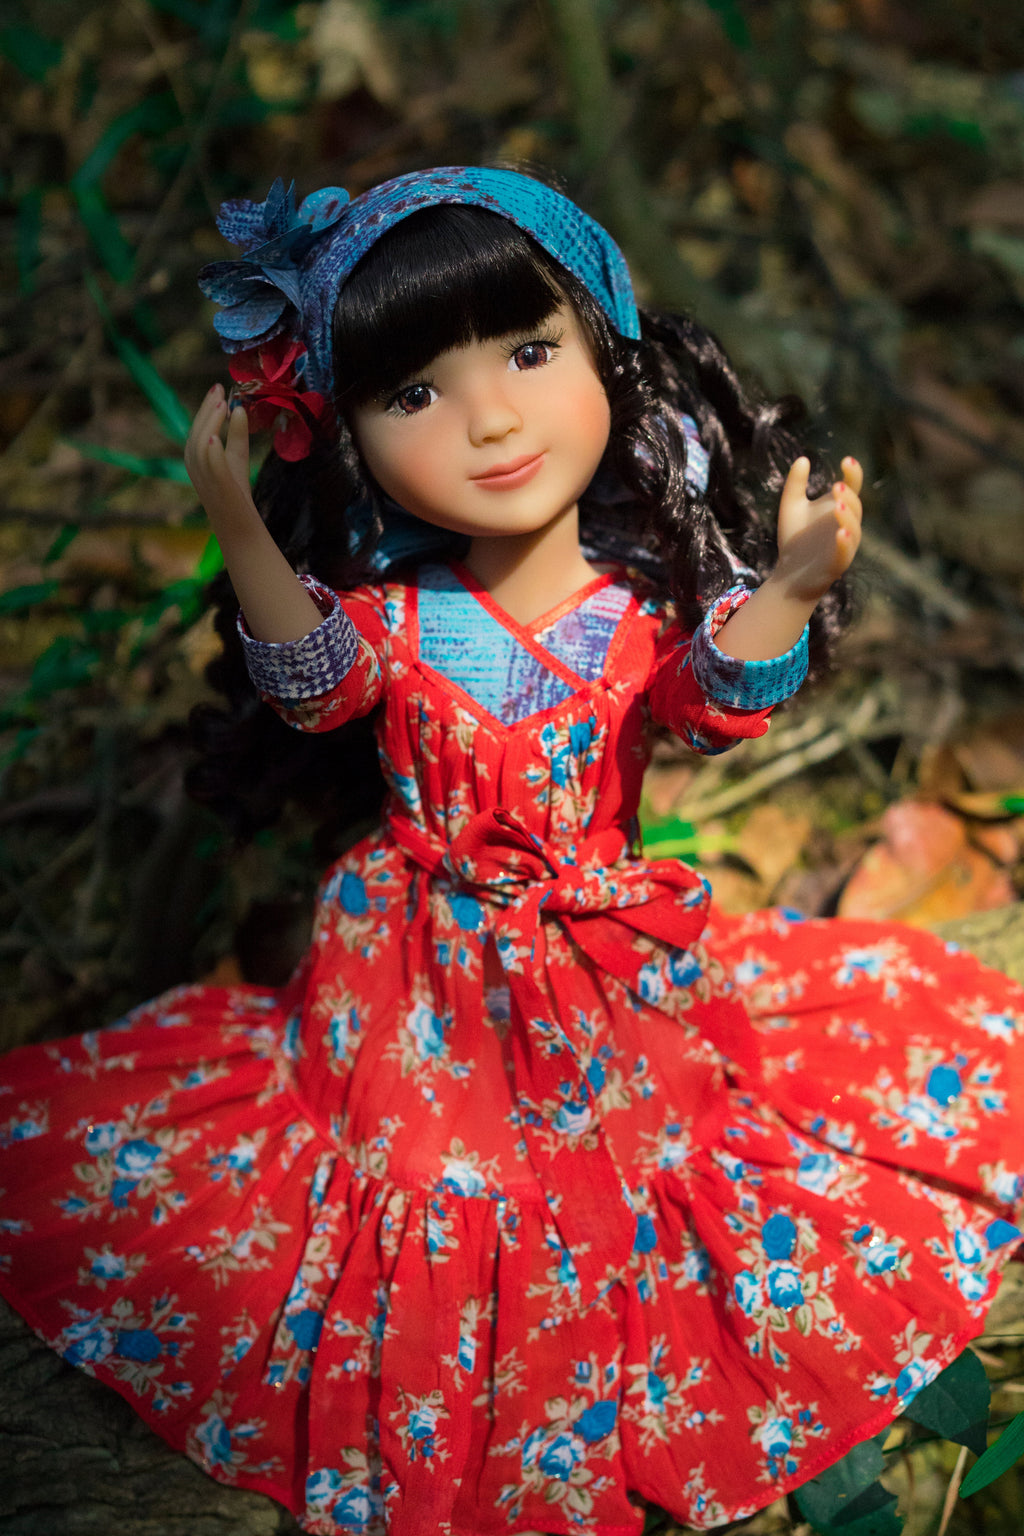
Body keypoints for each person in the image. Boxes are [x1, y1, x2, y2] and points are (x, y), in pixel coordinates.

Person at [1, 165, 1022, 1536]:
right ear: (349, 431)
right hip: (416, 978)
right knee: (416, 1180)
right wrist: (240, 527)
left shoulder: (637, 610)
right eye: (412, 393)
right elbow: (310, 682)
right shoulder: (397, 622)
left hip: (610, 967)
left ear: (608, 357)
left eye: (532, 354)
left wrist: (782, 588)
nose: (490, 420)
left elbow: (710, 704)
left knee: (660, 1147)